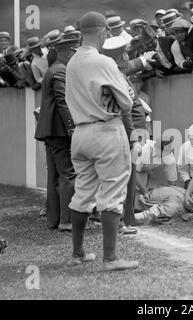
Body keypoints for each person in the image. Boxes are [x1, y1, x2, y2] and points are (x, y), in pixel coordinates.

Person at [65, 11, 140, 271]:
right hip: (106, 129)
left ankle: (78, 253)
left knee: (83, 192)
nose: (107, 34)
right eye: (106, 31)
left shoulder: (72, 62)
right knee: (112, 192)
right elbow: (128, 101)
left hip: (80, 131)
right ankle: (110, 258)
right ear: (101, 32)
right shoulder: (103, 61)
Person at [102, 35, 151, 235]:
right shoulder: (115, 73)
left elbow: (130, 68)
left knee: (128, 174)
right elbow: (126, 110)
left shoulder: (115, 71)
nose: (126, 57)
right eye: (124, 54)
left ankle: (126, 217)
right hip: (127, 132)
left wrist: (143, 60)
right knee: (125, 176)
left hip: (130, 131)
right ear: (121, 56)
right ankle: (123, 220)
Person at [34, 37, 80, 232]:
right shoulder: (61, 70)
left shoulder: (53, 69)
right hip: (59, 131)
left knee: (54, 176)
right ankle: (66, 221)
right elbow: (63, 101)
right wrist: (72, 129)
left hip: (50, 131)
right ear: (68, 52)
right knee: (69, 174)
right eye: (74, 52)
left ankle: (54, 220)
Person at [135, 137, 178, 210]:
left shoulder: (169, 156)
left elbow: (172, 181)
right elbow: (134, 173)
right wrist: (144, 191)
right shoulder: (143, 149)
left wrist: (172, 195)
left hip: (143, 170)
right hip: (125, 167)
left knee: (145, 196)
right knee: (129, 195)